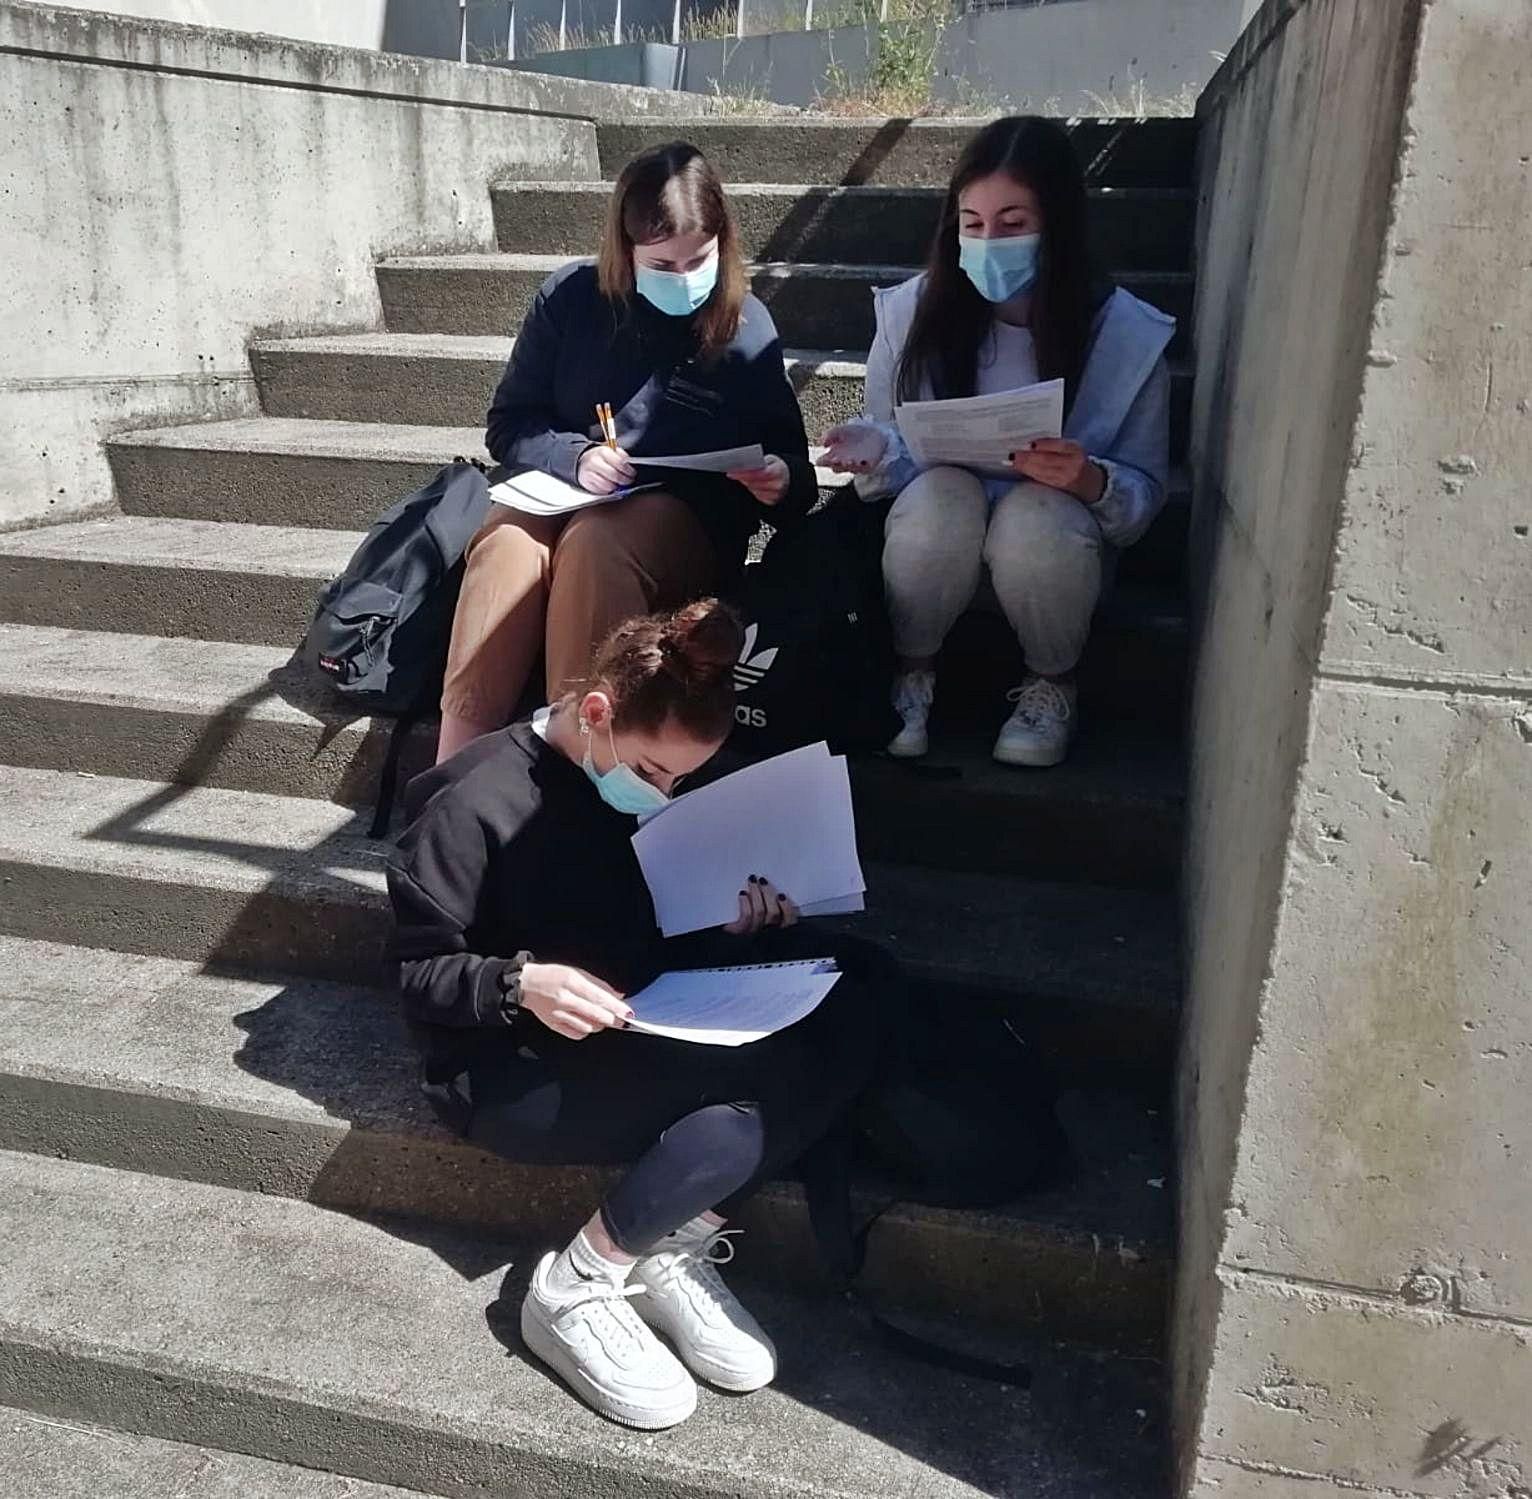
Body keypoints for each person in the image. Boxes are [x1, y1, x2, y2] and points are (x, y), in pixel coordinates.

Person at [387, 600, 893, 1429]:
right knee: (765, 1078)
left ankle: (672, 1236)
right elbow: (416, 973)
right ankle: (581, 1278)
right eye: (656, 774)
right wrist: (519, 982)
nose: (662, 795)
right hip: (509, 1064)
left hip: (634, 1008)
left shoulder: (618, 778)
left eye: (682, 782)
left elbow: (628, 924)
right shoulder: (472, 801)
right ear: (596, 713)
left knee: (861, 983)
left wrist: (726, 920)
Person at [435, 142, 819, 763]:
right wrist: (574, 456)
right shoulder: (571, 299)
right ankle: (453, 765)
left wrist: (778, 479)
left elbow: (795, 474)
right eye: (662, 264)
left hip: (678, 519)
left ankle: (577, 752)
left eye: (698, 259)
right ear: (626, 248)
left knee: (598, 543)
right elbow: (509, 423)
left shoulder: (746, 325)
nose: (683, 277)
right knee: (505, 544)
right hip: (559, 493)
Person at [822, 115, 1175, 768]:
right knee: (941, 495)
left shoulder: (1125, 336)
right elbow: (896, 452)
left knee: (1036, 517)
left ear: (1059, 224)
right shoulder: (910, 314)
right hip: (935, 543)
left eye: (1013, 224)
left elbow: (1145, 495)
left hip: (1055, 560)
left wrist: (1089, 480)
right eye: (973, 223)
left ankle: (1051, 683)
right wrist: (873, 448)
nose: (988, 242)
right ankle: (912, 670)